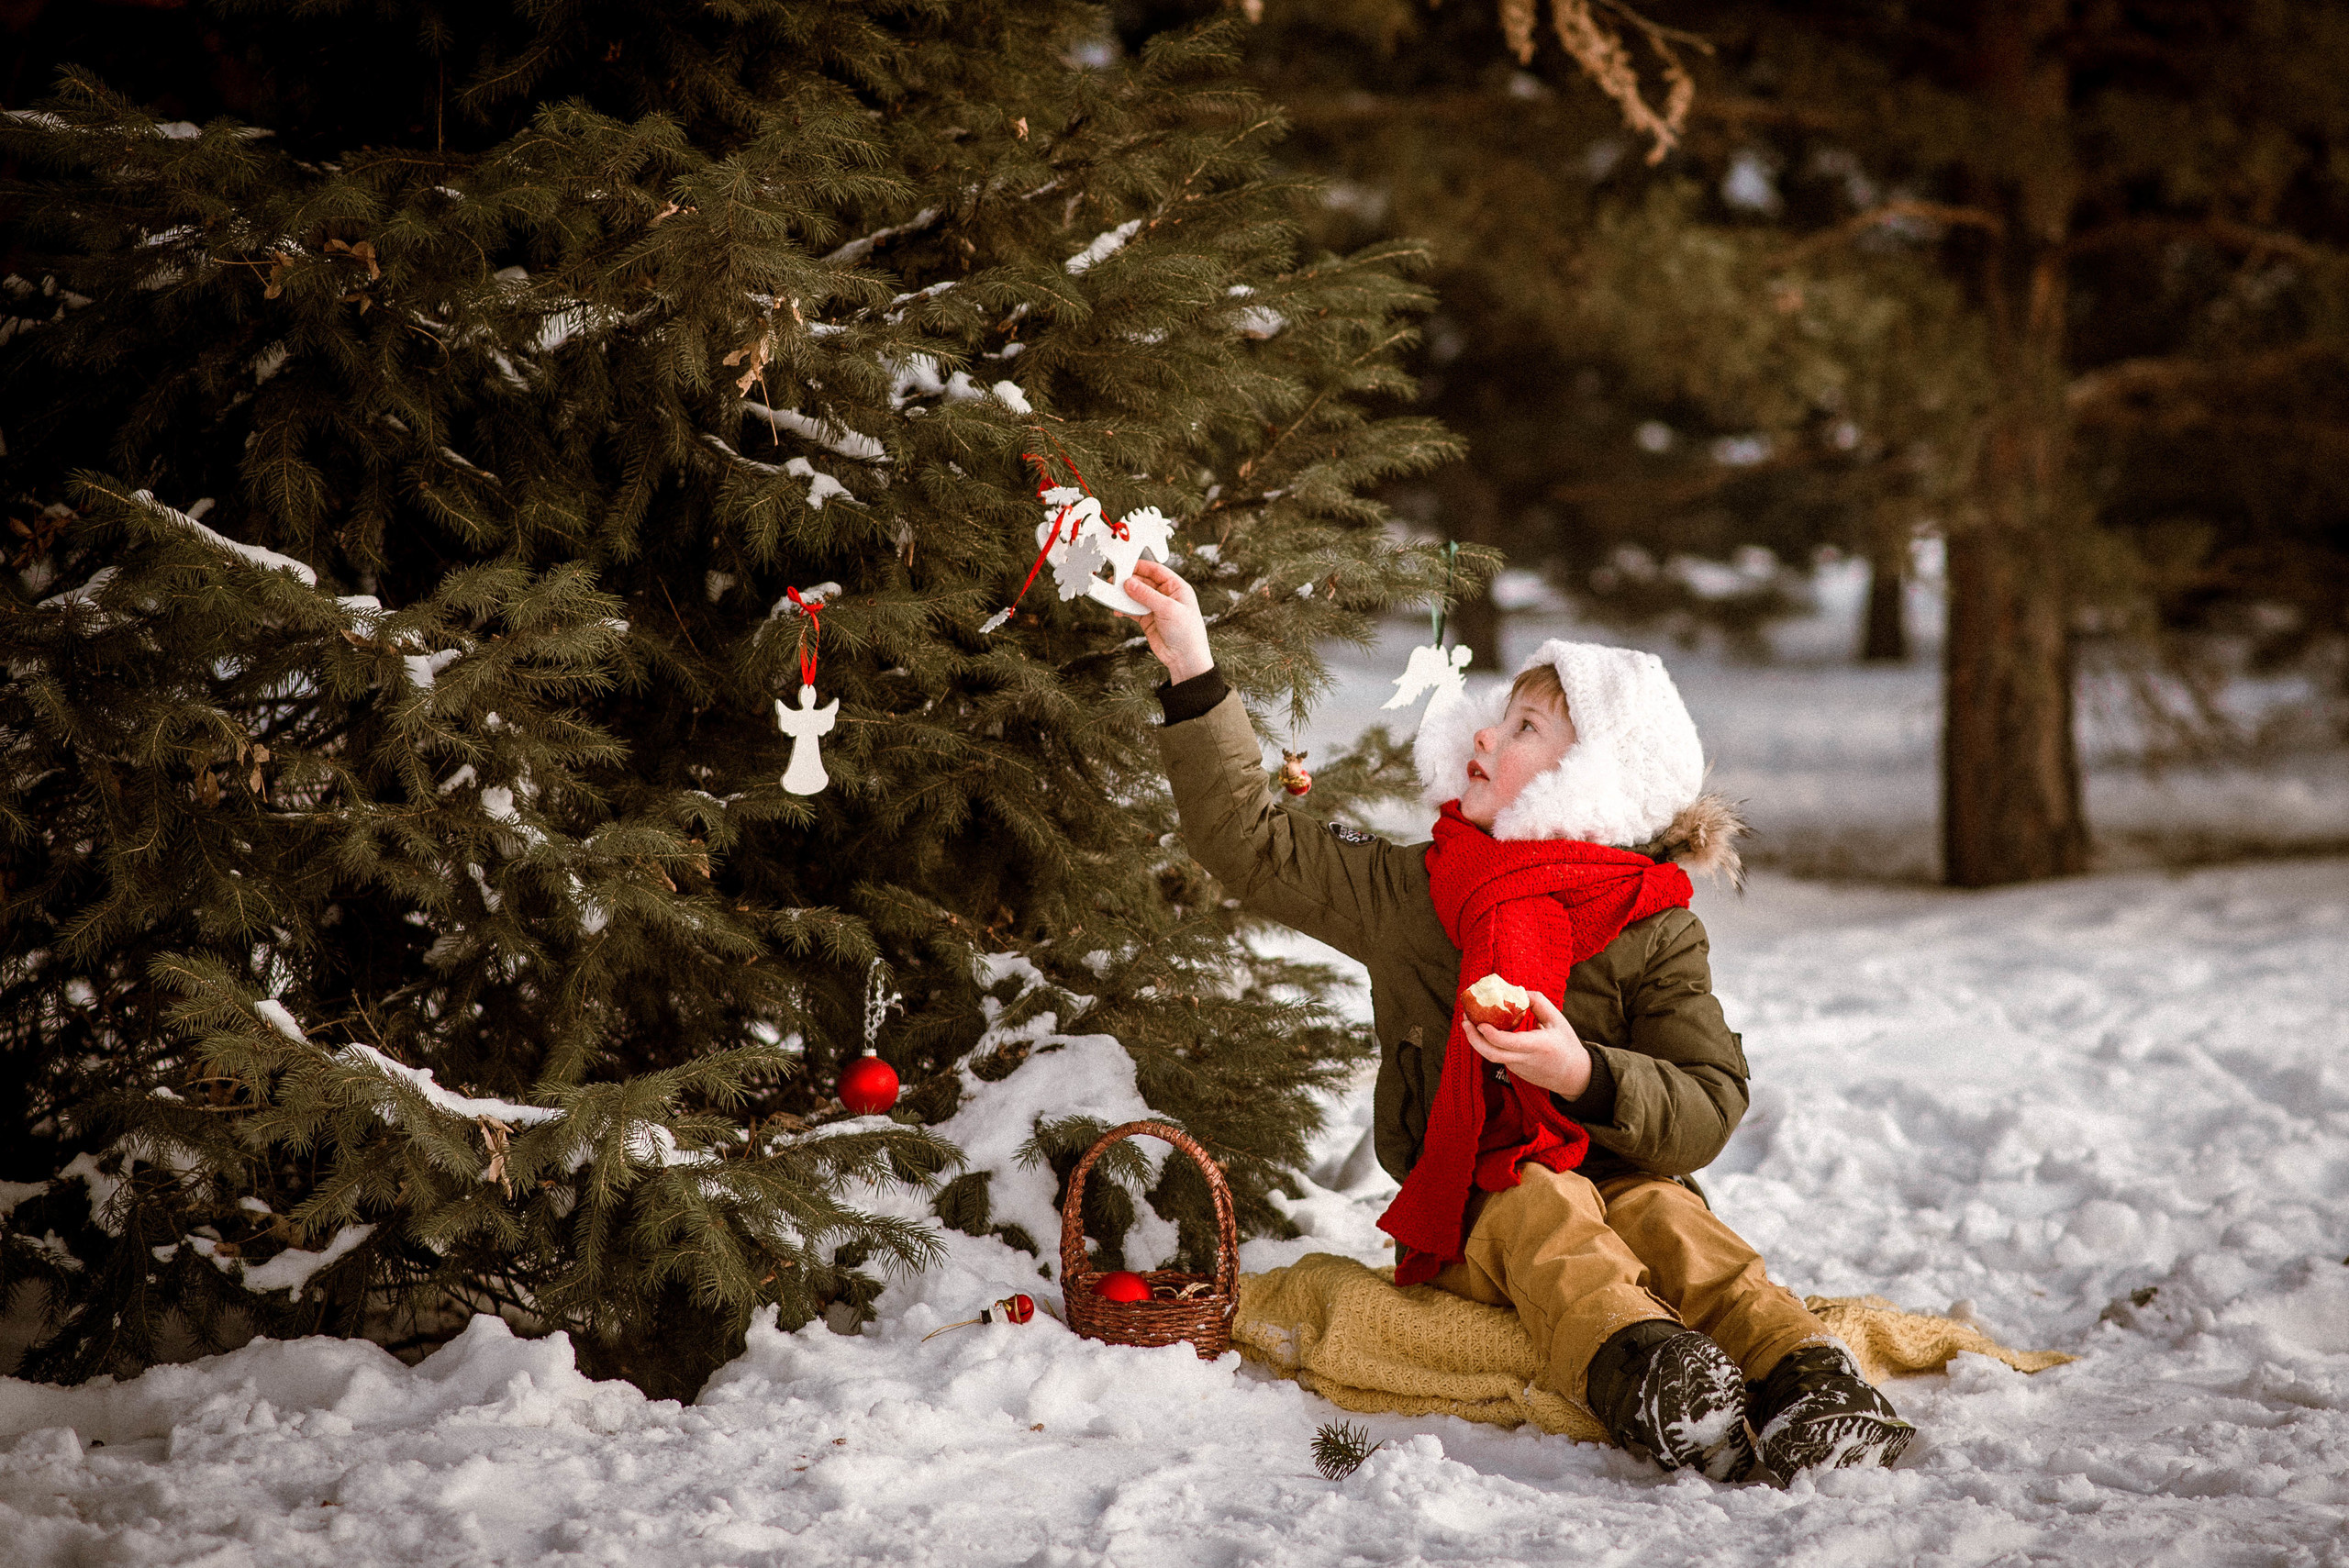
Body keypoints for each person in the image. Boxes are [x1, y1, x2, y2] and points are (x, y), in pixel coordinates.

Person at [1120, 558, 1912, 1482]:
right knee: (1548, 1208)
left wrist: (1584, 1071)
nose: (1486, 735)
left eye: (1526, 726)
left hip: (1623, 1170)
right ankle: (1651, 1374)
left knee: (1673, 1218)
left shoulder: (1650, 924)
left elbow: (1708, 1100)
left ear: (1593, 779)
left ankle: (1807, 1379)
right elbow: (1251, 842)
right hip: (1479, 1199)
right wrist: (1192, 671)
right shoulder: (1418, 891)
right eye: (1499, 714)